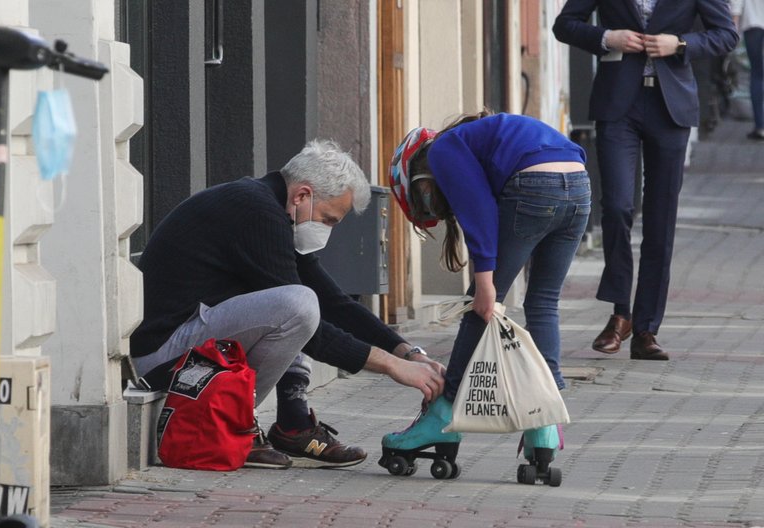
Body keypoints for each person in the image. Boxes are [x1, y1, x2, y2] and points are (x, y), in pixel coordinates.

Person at [129, 139, 447, 470]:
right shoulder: (255, 212)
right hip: (164, 358)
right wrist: (391, 366)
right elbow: (311, 328)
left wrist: (406, 351)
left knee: (299, 297)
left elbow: (335, 303)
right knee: (297, 304)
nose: (329, 231)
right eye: (329, 219)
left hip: (187, 344)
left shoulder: (272, 209)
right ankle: (240, 427)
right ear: (302, 196)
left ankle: (293, 424)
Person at [380, 110, 590, 482]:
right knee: (543, 303)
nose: (431, 205)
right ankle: (545, 420)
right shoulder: (484, 140)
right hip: (578, 185)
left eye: (423, 196)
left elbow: (479, 213)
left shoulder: (443, 149)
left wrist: (485, 281)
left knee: (478, 309)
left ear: (419, 169)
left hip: (536, 185)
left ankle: (443, 415)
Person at [553, 1, 738, 361]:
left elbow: (725, 35)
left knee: (660, 219)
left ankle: (646, 329)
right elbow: (565, 24)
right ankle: (620, 313)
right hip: (617, 105)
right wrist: (608, 37)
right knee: (618, 206)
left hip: (671, 108)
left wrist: (680, 44)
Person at [732, 0, 764, 140]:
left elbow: (736, 3)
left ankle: (761, 126)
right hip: (752, 23)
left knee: (757, 74)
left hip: (753, 24)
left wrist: (733, 27)